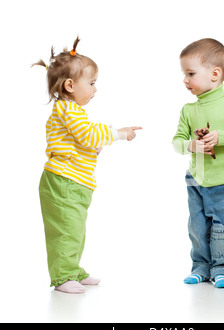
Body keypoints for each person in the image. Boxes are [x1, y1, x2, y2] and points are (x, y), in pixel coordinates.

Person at [33, 37, 142, 293]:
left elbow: (83, 139)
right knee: (66, 230)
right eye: (91, 83)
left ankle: (72, 269)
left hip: (75, 183)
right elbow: (88, 134)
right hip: (63, 182)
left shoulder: (72, 111)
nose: (95, 89)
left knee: (75, 229)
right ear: (70, 85)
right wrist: (119, 133)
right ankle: (62, 276)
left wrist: (94, 144)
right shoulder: (68, 110)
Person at [172, 38, 224, 288]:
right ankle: (200, 267)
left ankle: (223, 268)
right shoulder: (188, 110)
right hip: (196, 180)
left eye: (191, 73)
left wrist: (221, 137)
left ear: (215, 74)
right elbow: (176, 141)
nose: (185, 80)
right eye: (184, 74)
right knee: (197, 228)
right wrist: (190, 145)